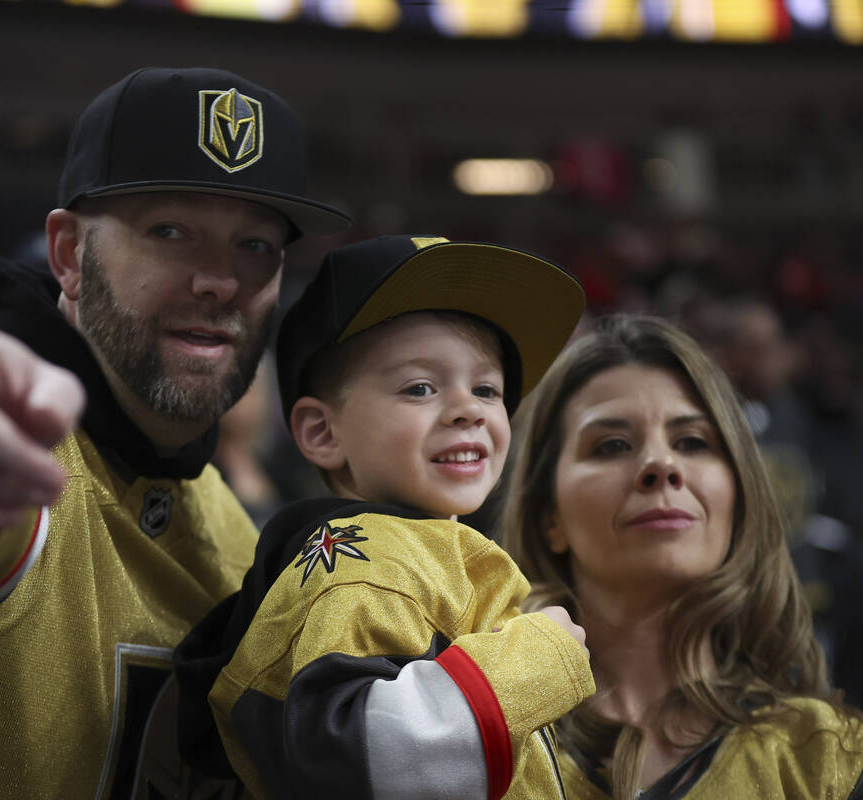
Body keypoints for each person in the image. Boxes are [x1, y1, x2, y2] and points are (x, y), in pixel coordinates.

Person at [0, 66, 350, 800]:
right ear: (70, 255)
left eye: (256, 246)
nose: (220, 281)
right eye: (170, 231)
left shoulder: (229, 533)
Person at [174, 235, 596, 800]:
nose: (468, 409)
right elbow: (349, 761)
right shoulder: (363, 562)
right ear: (323, 432)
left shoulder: (422, 549)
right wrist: (533, 664)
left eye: (487, 388)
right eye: (420, 388)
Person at [497, 313, 863, 800]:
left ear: (738, 496)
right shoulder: (472, 736)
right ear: (548, 517)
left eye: (693, 442)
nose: (661, 464)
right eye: (612, 445)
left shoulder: (832, 760)